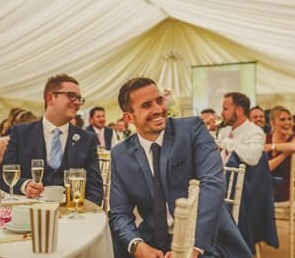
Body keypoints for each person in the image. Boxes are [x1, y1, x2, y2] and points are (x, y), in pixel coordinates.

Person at [108, 77, 251, 257]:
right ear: (129, 117)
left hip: (207, 239)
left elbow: (213, 184)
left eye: (159, 101)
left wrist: (194, 247)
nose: (158, 109)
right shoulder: (120, 154)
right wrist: (138, 246)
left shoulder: (192, 129)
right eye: (146, 105)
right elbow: (119, 213)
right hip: (153, 242)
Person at [0, 74, 103, 205]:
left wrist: (84, 212)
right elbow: (1, 177)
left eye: (79, 98)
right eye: (71, 96)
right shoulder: (21, 133)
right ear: (50, 98)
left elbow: (95, 188)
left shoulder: (87, 138)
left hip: (72, 213)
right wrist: (25, 185)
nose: (77, 102)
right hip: (30, 211)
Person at [216, 92, 278, 252]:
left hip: (246, 192)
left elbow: (253, 157)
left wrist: (227, 143)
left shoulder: (254, 131)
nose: (222, 112)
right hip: (220, 184)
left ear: (238, 111)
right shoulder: (224, 131)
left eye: (225, 108)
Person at [263, 106, 295, 202]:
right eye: (282, 119)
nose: (287, 123)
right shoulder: (265, 138)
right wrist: (285, 154)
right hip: (265, 183)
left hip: (283, 187)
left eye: (289, 119)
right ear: (272, 123)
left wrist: (270, 147)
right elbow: (266, 167)